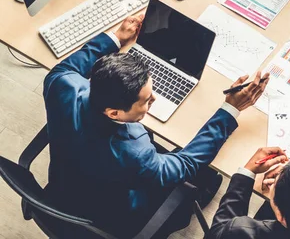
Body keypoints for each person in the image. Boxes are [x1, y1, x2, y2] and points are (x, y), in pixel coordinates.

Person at [43, 14, 269, 237]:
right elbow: (185, 164)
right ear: (114, 113)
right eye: (146, 100)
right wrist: (231, 109)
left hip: (64, 182)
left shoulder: (61, 84)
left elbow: (65, 68)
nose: (154, 100)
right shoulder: (135, 152)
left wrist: (116, 38)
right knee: (200, 175)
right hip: (110, 214)